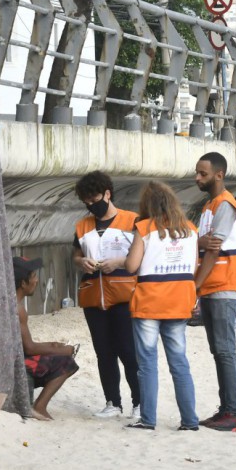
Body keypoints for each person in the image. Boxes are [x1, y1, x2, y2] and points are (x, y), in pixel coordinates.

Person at [123, 182, 200, 431]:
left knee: (147, 363)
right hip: (179, 302)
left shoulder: (144, 228)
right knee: (179, 362)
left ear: (148, 205)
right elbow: (194, 265)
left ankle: (148, 419)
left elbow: (132, 266)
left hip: (149, 302)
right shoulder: (190, 229)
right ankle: (189, 420)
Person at [72, 171, 141, 420]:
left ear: (108, 194)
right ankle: (113, 402)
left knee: (128, 351)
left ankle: (139, 402)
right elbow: (76, 254)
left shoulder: (132, 220)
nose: (91, 206)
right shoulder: (82, 225)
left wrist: (120, 262)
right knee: (104, 352)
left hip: (124, 295)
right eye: (86, 203)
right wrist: (82, 262)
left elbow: (142, 255)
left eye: (94, 199)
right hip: (93, 297)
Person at [194, 152, 236, 432]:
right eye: (197, 173)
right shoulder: (209, 206)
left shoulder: (225, 204)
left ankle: (234, 414)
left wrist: (195, 285)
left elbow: (213, 247)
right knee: (219, 351)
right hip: (213, 286)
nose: (197, 178)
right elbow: (203, 244)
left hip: (223, 284)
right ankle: (226, 409)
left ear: (219, 174)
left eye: (202, 173)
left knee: (225, 351)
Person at [14, 257, 79, 420]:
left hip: (8, 359)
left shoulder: (5, 302)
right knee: (67, 363)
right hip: (13, 364)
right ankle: (40, 407)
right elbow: (29, 348)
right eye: (34, 276)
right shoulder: (17, 308)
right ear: (23, 283)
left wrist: (54, 346)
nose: (36, 280)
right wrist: (63, 350)